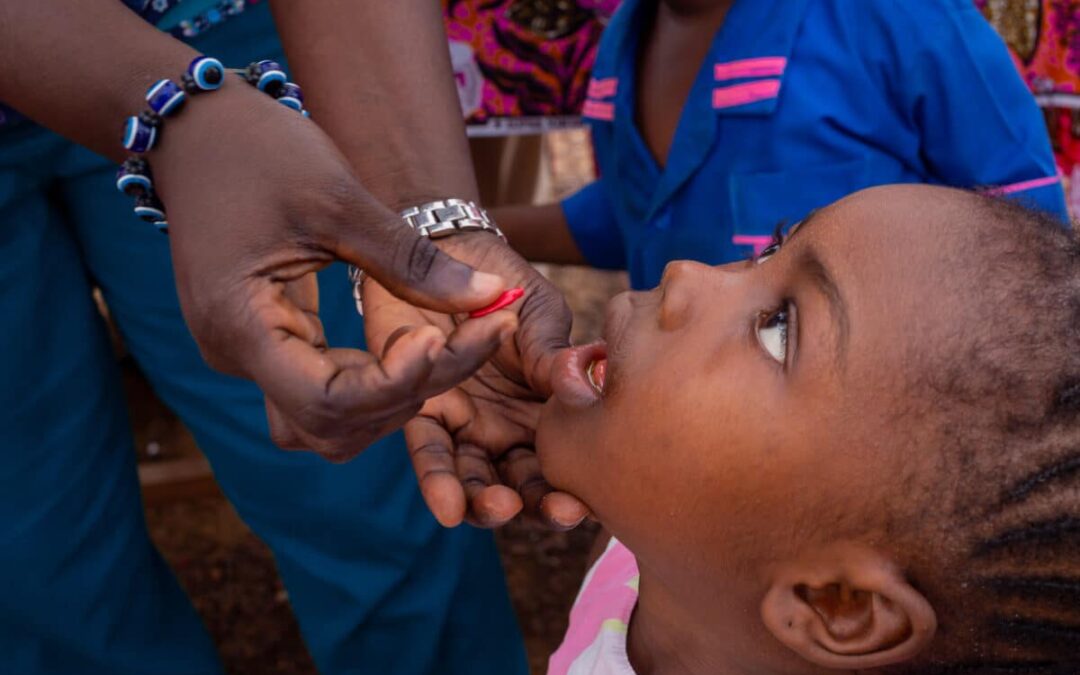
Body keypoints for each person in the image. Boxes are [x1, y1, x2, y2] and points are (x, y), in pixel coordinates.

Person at [0, 1, 586, 673]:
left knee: (370, 487)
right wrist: (189, 120)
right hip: (221, 108)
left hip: (219, 41)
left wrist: (425, 218)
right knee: (33, 563)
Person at [537, 184, 1080, 674]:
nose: (685, 275)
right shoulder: (650, 558)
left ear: (838, 604)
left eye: (778, 330)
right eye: (773, 249)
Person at [492, 0, 1069, 289]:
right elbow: (642, 220)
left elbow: (1028, 239)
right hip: (687, 444)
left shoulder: (897, 17)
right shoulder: (626, 38)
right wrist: (460, 230)